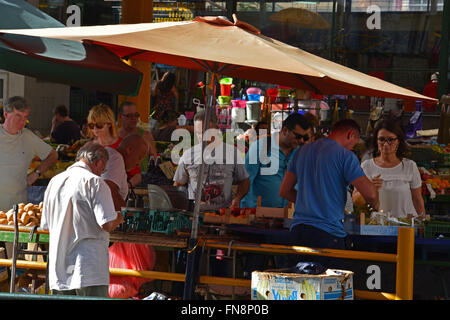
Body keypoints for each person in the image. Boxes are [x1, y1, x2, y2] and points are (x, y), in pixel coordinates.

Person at [279, 119, 379, 258]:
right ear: (350, 135)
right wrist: (376, 206)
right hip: (327, 234)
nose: (351, 148)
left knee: (300, 278)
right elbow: (371, 195)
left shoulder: (301, 151)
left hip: (298, 231)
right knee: (330, 279)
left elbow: (284, 191)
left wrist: (308, 201)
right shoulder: (345, 156)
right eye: (354, 144)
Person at [40, 142, 123, 297]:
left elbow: (46, 226)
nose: (101, 173)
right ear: (99, 162)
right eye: (102, 169)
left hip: (60, 268)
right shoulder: (95, 182)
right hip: (88, 269)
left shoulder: (54, 181)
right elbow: (106, 224)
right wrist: (119, 217)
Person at [173, 110, 250, 211]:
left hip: (223, 214)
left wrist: (237, 199)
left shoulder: (232, 153)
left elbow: (244, 180)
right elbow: (178, 185)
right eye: (198, 133)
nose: (202, 137)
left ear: (217, 129)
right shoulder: (188, 155)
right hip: (194, 215)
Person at [353, 120, 425, 219]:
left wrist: (423, 221)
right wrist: (369, 188)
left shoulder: (410, 166)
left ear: (398, 141)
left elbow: (417, 199)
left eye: (391, 139)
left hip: (405, 225)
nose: (386, 144)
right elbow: (356, 200)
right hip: (378, 226)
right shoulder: (366, 166)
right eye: (381, 139)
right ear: (376, 142)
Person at [241, 113, 312, 209]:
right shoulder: (260, 147)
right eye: (298, 136)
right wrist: (246, 211)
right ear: (285, 130)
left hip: (291, 216)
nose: (301, 141)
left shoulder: (300, 153)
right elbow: (246, 180)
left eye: (305, 138)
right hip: (261, 217)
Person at [0, 96, 58, 211]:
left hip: (17, 208)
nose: (22, 122)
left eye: (25, 117)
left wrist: (36, 173)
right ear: (6, 115)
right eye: (18, 116)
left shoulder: (28, 137)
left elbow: (53, 156)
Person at [102, 134, 149, 211]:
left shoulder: (110, 155)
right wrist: (126, 215)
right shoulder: (116, 158)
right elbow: (109, 189)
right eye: (139, 157)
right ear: (129, 150)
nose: (138, 163)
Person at [117, 101, 157, 186]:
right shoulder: (114, 136)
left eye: (136, 115)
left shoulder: (146, 135)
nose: (134, 118)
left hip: (140, 182)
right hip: (117, 179)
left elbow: (154, 160)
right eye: (129, 116)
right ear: (120, 116)